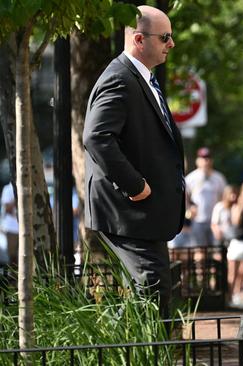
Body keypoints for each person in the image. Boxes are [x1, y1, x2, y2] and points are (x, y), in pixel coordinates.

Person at [83, 5, 184, 318]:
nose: (172, 43)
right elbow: (97, 137)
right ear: (139, 40)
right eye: (165, 37)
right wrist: (135, 186)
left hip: (145, 215)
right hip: (128, 211)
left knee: (154, 288)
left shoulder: (143, 78)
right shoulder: (120, 79)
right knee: (152, 287)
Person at [185, 147, 227, 247]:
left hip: (215, 221)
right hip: (198, 220)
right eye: (203, 158)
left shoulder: (219, 178)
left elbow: (224, 197)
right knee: (199, 251)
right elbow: (184, 197)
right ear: (197, 160)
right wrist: (188, 210)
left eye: (208, 158)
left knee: (216, 251)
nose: (206, 161)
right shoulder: (191, 178)